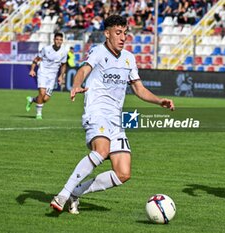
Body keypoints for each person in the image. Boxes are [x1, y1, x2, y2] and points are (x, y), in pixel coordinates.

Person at [50, 15, 175, 214]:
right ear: (107, 34)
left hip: (116, 119)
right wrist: (76, 84)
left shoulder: (129, 58)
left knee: (123, 173)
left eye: (125, 33)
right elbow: (84, 70)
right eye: (118, 33)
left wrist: (159, 101)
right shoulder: (98, 52)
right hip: (96, 111)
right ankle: (63, 194)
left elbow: (139, 89)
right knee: (102, 150)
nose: (122, 37)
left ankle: (76, 192)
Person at [26, 32, 67, 119]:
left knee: (45, 99)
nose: (58, 41)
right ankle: (39, 114)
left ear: (62, 41)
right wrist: (32, 70)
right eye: (57, 39)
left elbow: (63, 65)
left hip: (52, 76)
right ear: (54, 40)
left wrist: (61, 76)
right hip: (43, 73)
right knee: (42, 92)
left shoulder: (64, 52)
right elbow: (36, 59)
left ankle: (32, 100)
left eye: (60, 40)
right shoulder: (46, 49)